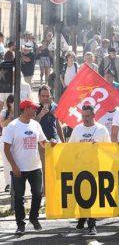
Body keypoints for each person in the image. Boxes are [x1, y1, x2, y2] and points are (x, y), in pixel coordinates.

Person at [2, 99, 57, 235]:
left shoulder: (36, 125)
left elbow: (43, 142)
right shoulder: (12, 126)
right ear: (25, 109)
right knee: (19, 197)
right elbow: (6, 149)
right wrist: (14, 166)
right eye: (33, 108)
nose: (35, 111)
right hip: (18, 169)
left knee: (38, 194)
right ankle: (20, 224)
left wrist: (52, 143)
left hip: (35, 167)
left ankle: (33, 218)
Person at [69, 105, 111, 235]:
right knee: (81, 195)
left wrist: (99, 147)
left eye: (87, 116)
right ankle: (82, 219)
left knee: (93, 195)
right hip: (80, 167)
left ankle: (92, 224)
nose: (85, 119)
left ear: (94, 116)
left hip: (95, 167)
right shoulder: (77, 129)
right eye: (83, 116)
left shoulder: (101, 129)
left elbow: (109, 149)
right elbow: (69, 149)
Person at [0, 95, 14, 192]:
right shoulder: (4, 112)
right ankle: (8, 183)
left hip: (16, 140)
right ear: (9, 103)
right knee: (6, 162)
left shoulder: (20, 111)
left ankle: (16, 182)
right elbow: (2, 124)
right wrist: (10, 118)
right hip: (5, 140)